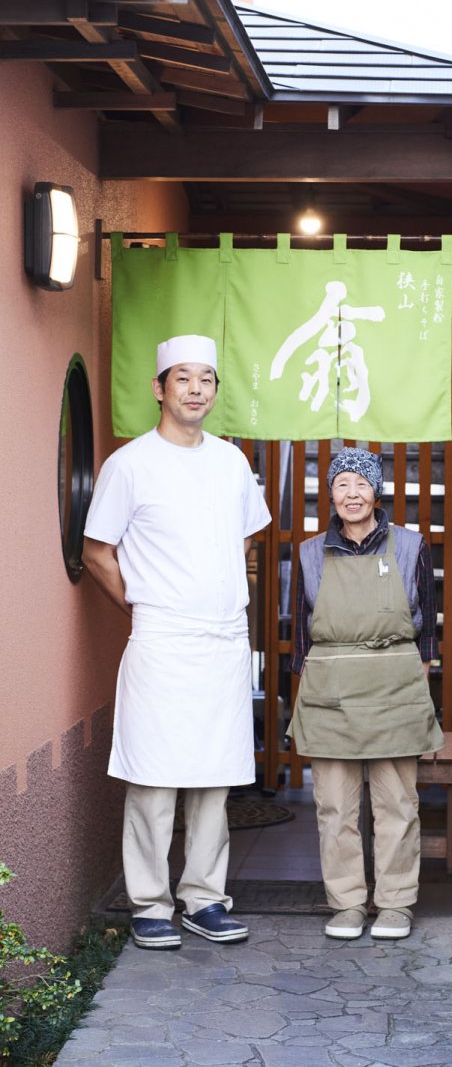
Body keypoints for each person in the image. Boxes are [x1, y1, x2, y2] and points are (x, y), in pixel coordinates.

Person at [82, 335, 271, 951]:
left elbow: (246, 539)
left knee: (215, 778)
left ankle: (204, 899)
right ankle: (149, 904)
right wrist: (143, 602)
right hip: (162, 638)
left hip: (221, 640)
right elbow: (97, 550)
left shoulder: (232, 462)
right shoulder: (129, 464)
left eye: (207, 379)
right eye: (183, 378)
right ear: (160, 389)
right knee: (155, 775)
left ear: (215, 391)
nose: (196, 389)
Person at [288, 447, 443, 941]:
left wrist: (413, 678)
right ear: (329, 493)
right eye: (342, 484)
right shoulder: (311, 553)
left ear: (377, 492)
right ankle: (348, 903)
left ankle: (396, 902)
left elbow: (428, 631)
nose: (352, 494)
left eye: (361, 484)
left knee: (397, 804)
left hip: (392, 690)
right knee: (334, 806)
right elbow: (299, 636)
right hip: (331, 692)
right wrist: (306, 693)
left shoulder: (411, 546)